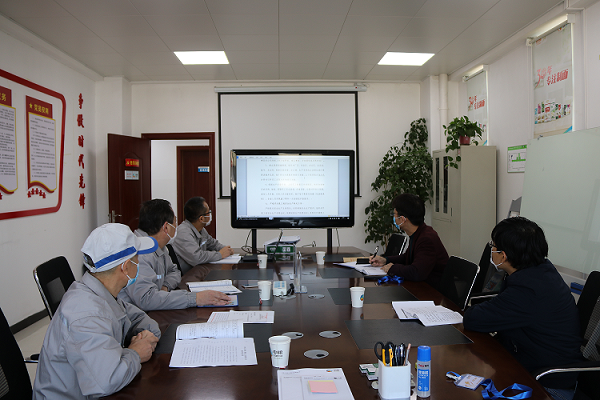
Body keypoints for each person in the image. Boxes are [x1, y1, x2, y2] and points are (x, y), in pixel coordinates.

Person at [33, 223, 162, 400]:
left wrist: (142, 338)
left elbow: (144, 321)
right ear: (125, 267)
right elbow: (107, 381)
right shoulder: (87, 314)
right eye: (137, 257)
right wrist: (135, 353)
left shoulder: (103, 292)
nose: (139, 263)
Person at [463, 217, 583, 399]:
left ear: (503, 256)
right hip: (530, 365)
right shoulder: (541, 271)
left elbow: (473, 319)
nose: (491, 249)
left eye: (493, 246)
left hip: (546, 384)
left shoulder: (529, 290)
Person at [118, 199, 231, 310]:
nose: (177, 226)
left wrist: (165, 286)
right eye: (175, 221)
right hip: (135, 317)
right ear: (166, 227)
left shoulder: (159, 246)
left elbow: (174, 271)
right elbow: (146, 299)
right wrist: (195, 298)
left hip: (153, 309)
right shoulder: (140, 253)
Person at [370, 193, 448, 288]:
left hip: (434, 292)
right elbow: (407, 257)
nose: (393, 218)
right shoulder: (419, 233)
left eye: (394, 214)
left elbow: (416, 272)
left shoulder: (427, 238)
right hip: (422, 287)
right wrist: (386, 260)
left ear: (402, 219)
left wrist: (392, 268)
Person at [172, 196, 234, 274]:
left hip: (198, 271)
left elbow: (213, 244)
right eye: (208, 213)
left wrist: (226, 250)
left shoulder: (201, 229)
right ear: (201, 218)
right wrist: (220, 254)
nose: (210, 214)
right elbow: (197, 257)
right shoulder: (183, 232)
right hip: (186, 276)